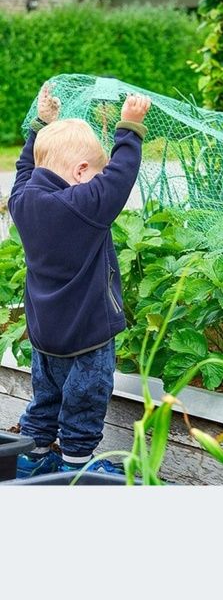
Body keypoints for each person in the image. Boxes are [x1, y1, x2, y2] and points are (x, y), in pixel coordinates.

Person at [7, 83, 151, 479]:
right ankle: (75, 468)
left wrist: (39, 126)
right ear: (81, 172)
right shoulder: (82, 207)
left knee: (47, 398)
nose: (99, 182)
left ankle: (32, 456)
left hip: (45, 337)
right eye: (95, 174)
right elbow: (119, 180)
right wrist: (130, 127)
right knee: (84, 402)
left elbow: (24, 170)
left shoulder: (22, 202)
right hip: (87, 337)